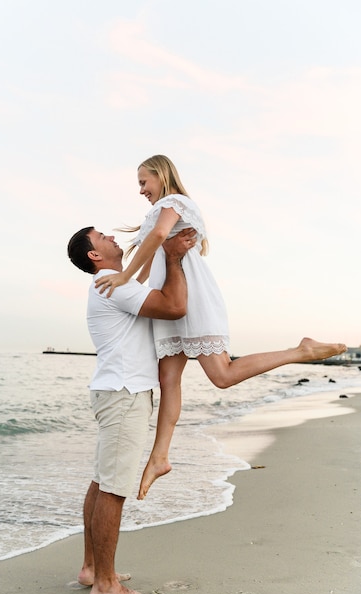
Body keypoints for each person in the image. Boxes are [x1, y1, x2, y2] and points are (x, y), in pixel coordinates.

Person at [94, 154, 347, 501]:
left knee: (222, 375)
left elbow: (159, 234)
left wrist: (124, 275)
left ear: (161, 174)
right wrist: (127, 289)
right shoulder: (158, 209)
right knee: (168, 380)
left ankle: (300, 350)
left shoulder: (175, 201)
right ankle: (160, 457)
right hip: (167, 290)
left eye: (143, 182)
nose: (141, 190)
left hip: (190, 294)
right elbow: (150, 261)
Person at [67, 224, 196, 594]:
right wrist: (173, 257)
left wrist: (153, 250)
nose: (111, 236)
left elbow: (140, 280)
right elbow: (175, 307)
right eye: (102, 236)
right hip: (124, 394)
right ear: (94, 254)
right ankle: (104, 585)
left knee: (102, 481)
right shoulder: (112, 283)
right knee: (113, 488)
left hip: (113, 390)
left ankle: (92, 568)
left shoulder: (114, 283)